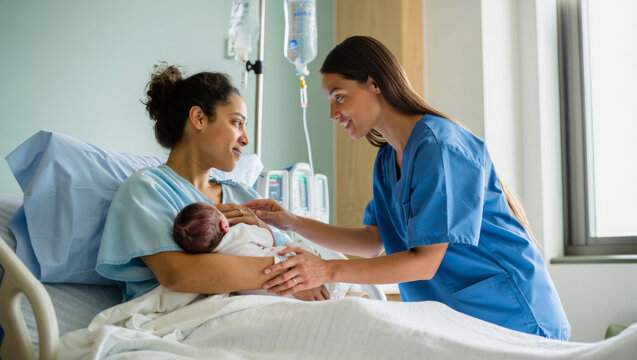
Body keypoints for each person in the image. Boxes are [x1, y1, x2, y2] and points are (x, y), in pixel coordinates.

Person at [245, 36, 571, 340]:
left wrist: (327, 270)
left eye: (339, 97)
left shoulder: (440, 146)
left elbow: (425, 262)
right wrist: (290, 221)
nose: (333, 113)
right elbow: (374, 241)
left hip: (512, 315)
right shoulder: (388, 160)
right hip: (461, 321)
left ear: (374, 84)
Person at [96, 63, 329, 302]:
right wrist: (289, 275)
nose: (246, 139)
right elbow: (180, 274)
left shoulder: (242, 195)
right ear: (199, 118)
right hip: (191, 320)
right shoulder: (147, 190)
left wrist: (270, 236)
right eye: (237, 123)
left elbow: (295, 256)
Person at [172, 202, 346, 299]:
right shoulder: (240, 231)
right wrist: (259, 224)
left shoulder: (210, 256)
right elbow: (268, 239)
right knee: (294, 247)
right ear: (224, 224)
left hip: (261, 294)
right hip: (290, 274)